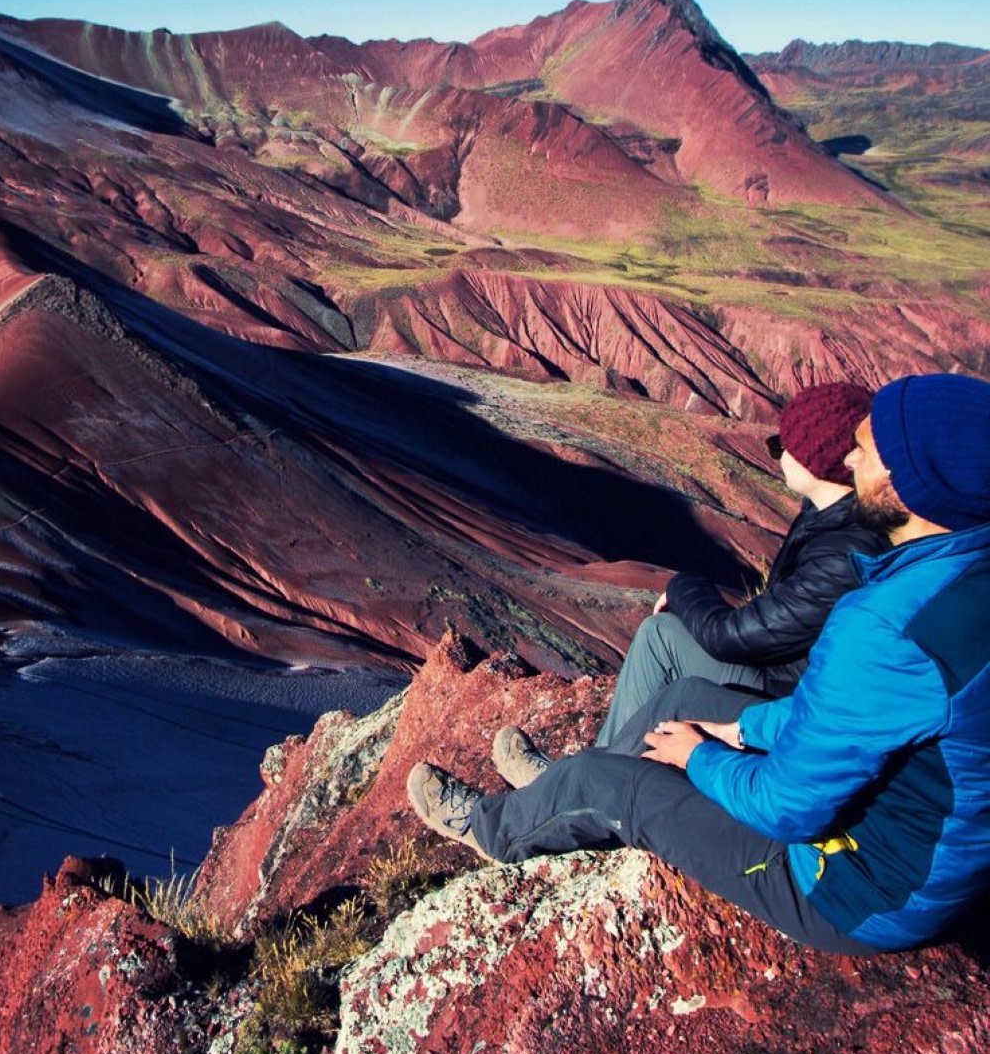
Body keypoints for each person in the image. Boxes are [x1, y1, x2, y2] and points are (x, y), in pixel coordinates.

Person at [408, 373, 990, 954]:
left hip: (854, 889)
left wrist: (702, 755)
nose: (851, 456)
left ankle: (490, 828)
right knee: (684, 703)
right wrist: (740, 728)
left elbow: (788, 809)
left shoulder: (887, 625)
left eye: (867, 448)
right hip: (907, 849)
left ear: (908, 482)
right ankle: (557, 799)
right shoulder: (955, 579)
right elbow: (855, 714)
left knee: (611, 783)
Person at [591, 380, 884, 751]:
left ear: (818, 458)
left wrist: (684, 587)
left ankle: (593, 782)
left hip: (788, 699)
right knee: (663, 633)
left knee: (661, 638)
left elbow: (728, 638)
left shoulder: (844, 550)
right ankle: (592, 772)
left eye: (781, 445)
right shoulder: (830, 519)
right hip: (790, 680)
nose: (776, 456)